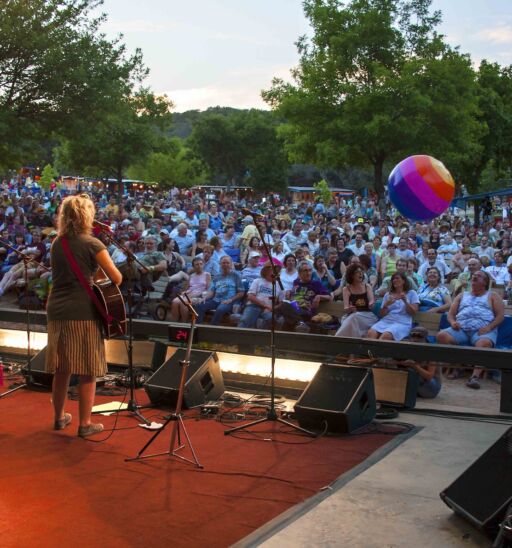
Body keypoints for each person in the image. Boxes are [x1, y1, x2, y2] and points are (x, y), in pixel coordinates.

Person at [45, 194, 122, 438]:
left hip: (57, 309)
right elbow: (117, 278)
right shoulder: (92, 244)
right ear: (86, 215)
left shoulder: (58, 243)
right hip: (83, 311)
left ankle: (59, 418)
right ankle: (85, 424)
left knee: (62, 367)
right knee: (87, 368)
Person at [437, 270, 505, 389]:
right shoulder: (462, 295)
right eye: (473, 275)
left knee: (483, 343)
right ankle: (459, 366)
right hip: (461, 329)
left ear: (485, 282)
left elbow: (500, 316)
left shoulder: (493, 295)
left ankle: (474, 377)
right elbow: (450, 314)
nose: (474, 277)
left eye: (478, 276)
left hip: (483, 330)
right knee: (442, 336)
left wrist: (489, 327)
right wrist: (453, 322)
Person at [278, 260, 332, 332]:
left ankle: (300, 323)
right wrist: (289, 292)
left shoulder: (315, 284)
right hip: (294, 310)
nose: (308, 273)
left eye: (310, 270)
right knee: (284, 314)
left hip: (305, 311)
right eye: (305, 271)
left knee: (285, 312)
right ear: (299, 273)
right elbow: (295, 295)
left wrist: (318, 296)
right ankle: (300, 323)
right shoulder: (296, 282)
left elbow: (329, 297)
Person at [367, 272, 419, 341]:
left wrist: (405, 302)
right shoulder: (388, 295)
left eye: (397, 278)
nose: (394, 280)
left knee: (386, 335)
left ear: (403, 281)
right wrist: (386, 305)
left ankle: (376, 351)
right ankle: (369, 352)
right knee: (371, 332)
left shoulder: (412, 293)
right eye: (393, 279)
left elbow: (413, 312)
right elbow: (382, 314)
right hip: (387, 320)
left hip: (402, 322)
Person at [196, 255, 244, 325]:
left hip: (228, 301)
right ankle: (198, 326)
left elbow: (241, 292)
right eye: (223, 263)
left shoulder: (236, 275)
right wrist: (204, 298)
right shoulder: (217, 277)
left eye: (227, 263)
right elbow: (212, 291)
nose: (225, 265)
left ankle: (212, 327)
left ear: (231, 264)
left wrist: (231, 300)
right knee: (200, 305)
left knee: (220, 309)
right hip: (216, 300)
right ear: (220, 264)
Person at [334, 263, 377, 338]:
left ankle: (337, 339)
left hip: (367, 316)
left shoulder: (367, 286)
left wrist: (371, 304)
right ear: (351, 275)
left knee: (354, 318)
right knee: (353, 318)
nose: (360, 274)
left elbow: (371, 301)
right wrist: (349, 309)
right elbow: (346, 308)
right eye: (357, 272)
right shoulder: (346, 289)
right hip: (352, 316)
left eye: (361, 272)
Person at [238, 262, 282, 329]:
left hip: (268, 310)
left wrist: (271, 308)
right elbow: (250, 296)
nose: (276, 272)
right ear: (266, 271)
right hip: (254, 305)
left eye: (277, 270)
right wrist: (265, 305)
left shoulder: (279, 285)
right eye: (273, 269)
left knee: (272, 320)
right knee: (245, 321)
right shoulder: (257, 281)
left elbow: (281, 303)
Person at [169, 257, 210, 322]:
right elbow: (187, 288)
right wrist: (184, 292)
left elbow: (208, 289)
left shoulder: (207, 275)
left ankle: (184, 322)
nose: (199, 266)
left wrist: (195, 295)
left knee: (184, 303)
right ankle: (175, 321)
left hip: (199, 296)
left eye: (201, 264)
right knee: (175, 301)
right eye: (197, 264)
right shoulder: (192, 275)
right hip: (189, 294)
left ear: (203, 265)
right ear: (193, 266)